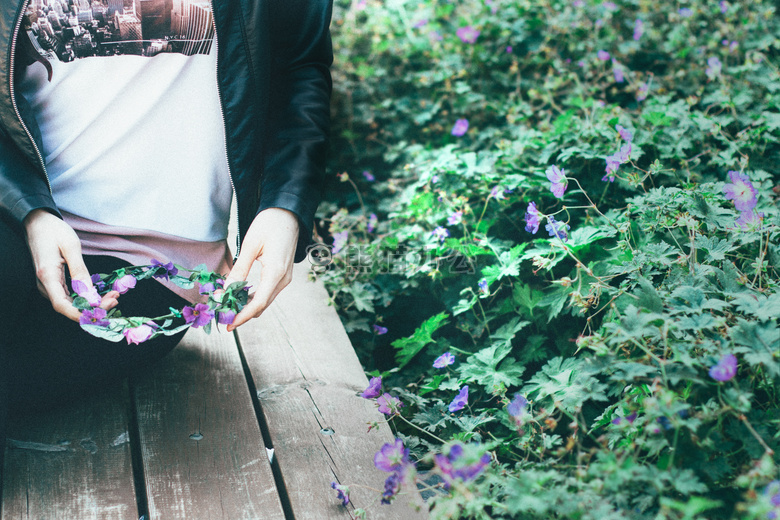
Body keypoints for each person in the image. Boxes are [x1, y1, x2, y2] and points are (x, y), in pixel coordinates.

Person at [0, 0, 333, 450]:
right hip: (17, 216)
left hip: (152, 264)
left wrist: (285, 204)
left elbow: (298, 63)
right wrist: (31, 210)